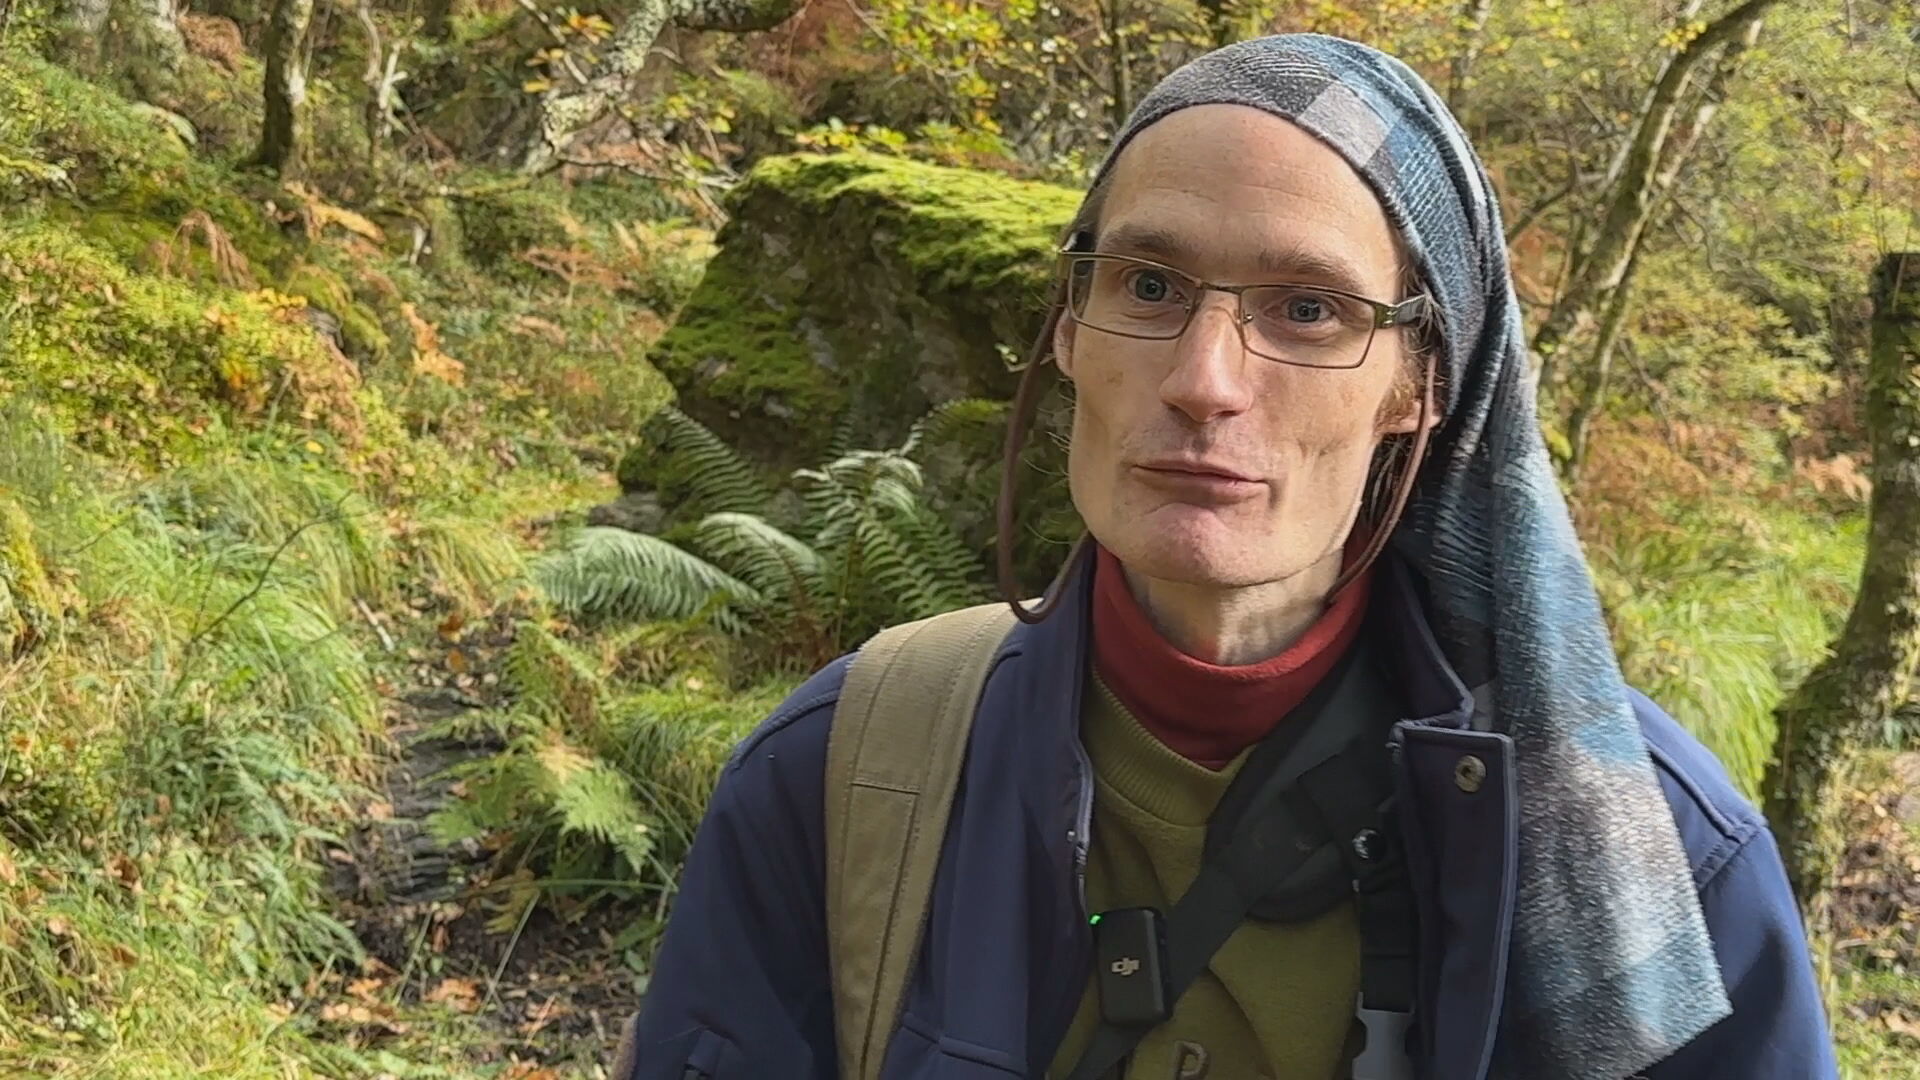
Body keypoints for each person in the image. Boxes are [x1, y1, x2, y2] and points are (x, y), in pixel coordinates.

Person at [616, 33, 1836, 1080]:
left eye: (1308, 309)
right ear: (1070, 331)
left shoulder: (1657, 864)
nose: (1204, 381)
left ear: (1421, 382)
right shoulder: (843, 776)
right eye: (1149, 284)